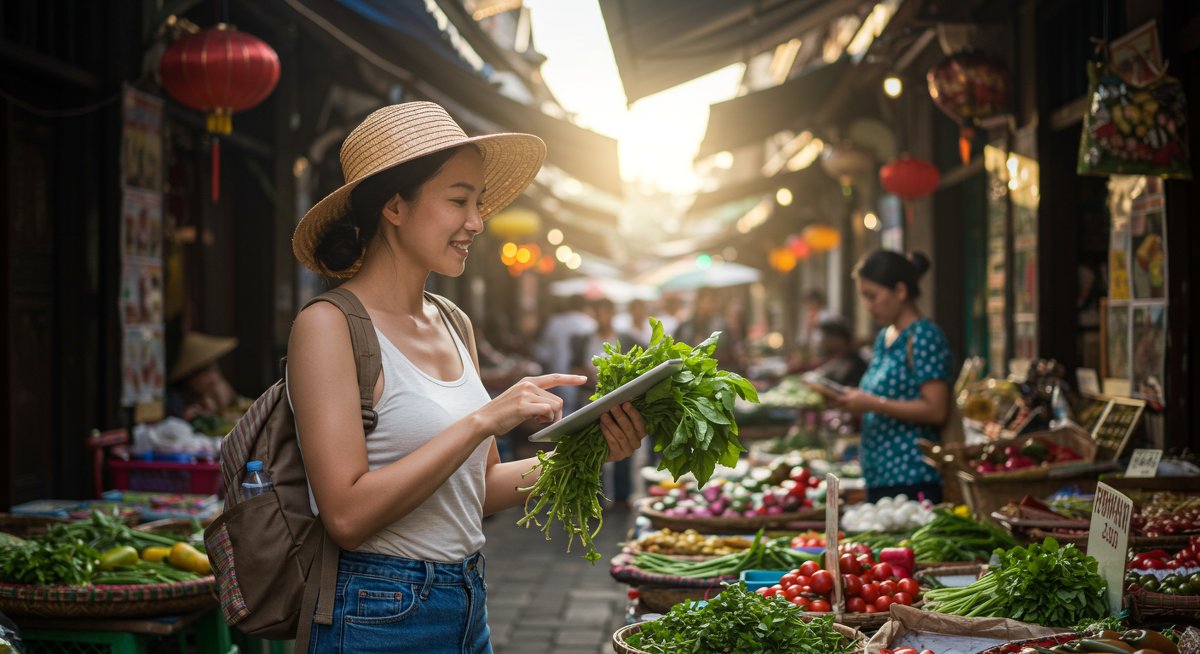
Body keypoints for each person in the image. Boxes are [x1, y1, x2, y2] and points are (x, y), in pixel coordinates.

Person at [286, 102, 647, 653]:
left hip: (468, 602)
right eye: (458, 200)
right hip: (376, 614)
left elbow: (479, 491)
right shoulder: (327, 327)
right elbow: (346, 515)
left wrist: (588, 450)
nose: (476, 222)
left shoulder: (453, 322)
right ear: (394, 206)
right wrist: (484, 419)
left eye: (477, 203)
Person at [831, 251, 951, 503]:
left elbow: (936, 409)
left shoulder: (924, 336)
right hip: (879, 476)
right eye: (864, 297)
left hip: (913, 478)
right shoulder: (885, 337)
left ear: (900, 291)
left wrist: (870, 404)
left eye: (872, 296)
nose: (868, 305)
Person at [166, 332, 250, 423]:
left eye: (215, 370)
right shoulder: (174, 399)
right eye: (206, 372)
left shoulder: (212, 393)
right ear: (191, 376)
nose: (213, 378)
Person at [810, 317, 868, 387]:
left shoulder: (854, 365)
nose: (820, 342)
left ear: (839, 340)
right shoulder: (833, 360)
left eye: (826, 336)